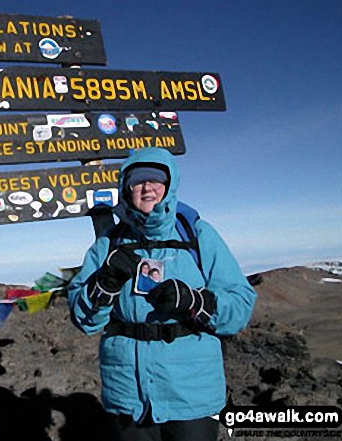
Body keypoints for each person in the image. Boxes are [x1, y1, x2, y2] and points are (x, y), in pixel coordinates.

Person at [67, 148, 257, 441]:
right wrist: (105, 282)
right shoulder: (110, 243)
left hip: (191, 396)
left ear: (169, 186)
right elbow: (85, 321)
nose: (147, 188)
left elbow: (240, 307)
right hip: (127, 396)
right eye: (137, 181)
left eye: (156, 180)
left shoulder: (196, 234)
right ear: (126, 188)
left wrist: (195, 301)